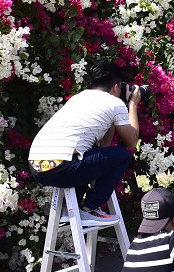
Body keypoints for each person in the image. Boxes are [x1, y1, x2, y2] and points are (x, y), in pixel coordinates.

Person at [28, 60, 141, 226]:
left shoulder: (77, 98)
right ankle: (89, 208)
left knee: (88, 152)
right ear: (116, 87)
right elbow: (131, 142)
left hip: (38, 168)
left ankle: (68, 209)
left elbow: (103, 145)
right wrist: (132, 104)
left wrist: (113, 119)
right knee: (123, 155)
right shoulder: (115, 103)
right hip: (62, 167)